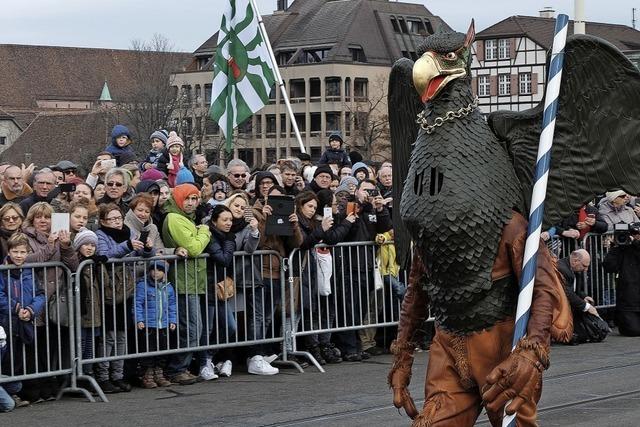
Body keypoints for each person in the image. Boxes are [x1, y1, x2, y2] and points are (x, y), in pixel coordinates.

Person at [95, 203, 155, 393]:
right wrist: (127, 246)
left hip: (126, 288)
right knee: (109, 337)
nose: (116, 222)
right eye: (111, 219)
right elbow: (105, 255)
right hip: (108, 290)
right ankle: (103, 376)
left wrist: (147, 248)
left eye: (118, 218)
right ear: (103, 221)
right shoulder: (100, 235)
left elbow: (143, 255)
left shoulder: (128, 231)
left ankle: (118, 375)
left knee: (122, 336)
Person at [294, 191, 355, 364]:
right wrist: (334, 226)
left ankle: (325, 345)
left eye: (314, 206)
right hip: (304, 271)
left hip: (324, 269)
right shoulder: (306, 222)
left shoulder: (318, 221)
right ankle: (312, 346)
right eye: (309, 206)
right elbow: (312, 241)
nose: (312, 210)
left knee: (328, 309)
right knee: (310, 311)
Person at [336, 179, 392, 361]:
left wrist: (380, 209)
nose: (369, 194)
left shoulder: (371, 211)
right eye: (366, 191)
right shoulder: (350, 204)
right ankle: (349, 347)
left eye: (372, 191)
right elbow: (347, 226)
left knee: (361, 309)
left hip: (367, 266)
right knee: (349, 308)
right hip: (349, 266)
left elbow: (384, 228)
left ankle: (357, 346)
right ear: (357, 190)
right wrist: (359, 202)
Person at [162, 184, 211, 385]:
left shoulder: (186, 218)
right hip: (183, 281)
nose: (191, 203)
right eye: (187, 199)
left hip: (193, 280)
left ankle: (183, 367)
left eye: (195, 199)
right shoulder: (174, 218)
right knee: (190, 327)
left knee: (194, 327)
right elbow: (194, 248)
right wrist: (205, 232)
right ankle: (177, 368)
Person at [0, 233, 46, 407]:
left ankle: (18, 392)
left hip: (26, 322)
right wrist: (17, 308)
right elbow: (0, 296)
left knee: (20, 358)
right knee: (7, 360)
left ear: (27, 253)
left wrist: (31, 310)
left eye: (22, 252)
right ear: (9, 251)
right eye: (15, 251)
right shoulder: (2, 271)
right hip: (7, 323)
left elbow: (40, 294)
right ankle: (11, 393)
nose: (19, 255)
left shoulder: (30, 270)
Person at [201, 205, 237, 380]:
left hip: (221, 288)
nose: (229, 223)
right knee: (206, 328)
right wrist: (230, 241)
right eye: (225, 220)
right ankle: (203, 363)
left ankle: (209, 355)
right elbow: (224, 259)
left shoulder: (226, 236)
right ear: (214, 221)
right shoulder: (209, 235)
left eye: (231, 220)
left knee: (230, 326)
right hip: (208, 286)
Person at [134, 260, 176, 389]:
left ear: (164, 272)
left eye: (159, 270)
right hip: (149, 324)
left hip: (163, 324)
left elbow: (172, 305)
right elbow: (137, 303)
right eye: (153, 269)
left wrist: (172, 320)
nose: (155, 273)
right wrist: (139, 319)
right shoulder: (143, 285)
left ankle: (159, 373)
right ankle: (148, 374)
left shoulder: (168, 287)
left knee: (163, 350)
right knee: (149, 349)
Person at [72, 228, 104, 376]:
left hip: (94, 312)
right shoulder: (76, 263)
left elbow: (104, 284)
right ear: (78, 246)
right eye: (86, 244)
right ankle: (79, 375)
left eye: (93, 245)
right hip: (82, 312)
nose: (90, 247)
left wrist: (99, 263)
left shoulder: (94, 263)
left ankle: (88, 372)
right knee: (81, 344)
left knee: (91, 344)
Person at [556, 250, 601, 343]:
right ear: (575, 261)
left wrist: (584, 296)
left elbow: (576, 289)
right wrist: (587, 307)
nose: (586, 269)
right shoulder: (562, 269)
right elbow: (567, 293)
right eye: (584, 266)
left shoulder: (573, 268)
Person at [603, 231, 640, 336]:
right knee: (633, 330)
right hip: (628, 303)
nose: (634, 237)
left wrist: (636, 244)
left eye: (637, 234)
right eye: (633, 234)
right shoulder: (622, 249)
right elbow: (609, 267)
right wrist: (615, 247)